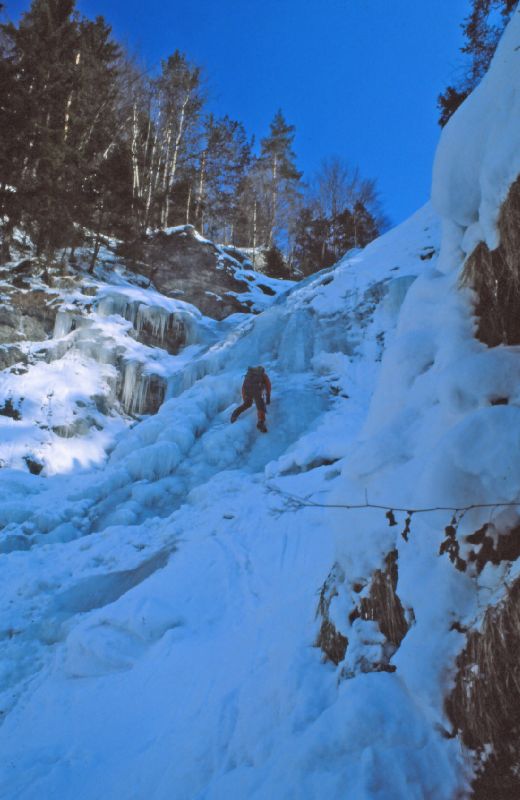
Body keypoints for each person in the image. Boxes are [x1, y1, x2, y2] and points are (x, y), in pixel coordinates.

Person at [230, 366, 271, 432]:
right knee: (261, 407)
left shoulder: (249, 376)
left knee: (247, 404)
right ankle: (260, 422)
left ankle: (235, 414)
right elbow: (268, 386)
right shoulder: (263, 376)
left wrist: (245, 399)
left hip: (247, 390)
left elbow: (243, 387)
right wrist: (268, 396)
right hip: (256, 391)